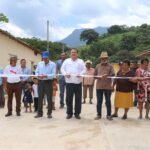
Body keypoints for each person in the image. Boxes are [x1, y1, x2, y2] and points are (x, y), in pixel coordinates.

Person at [61, 48, 86, 119]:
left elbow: (84, 69)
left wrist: (80, 74)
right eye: (72, 52)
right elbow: (62, 69)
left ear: (77, 53)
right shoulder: (66, 61)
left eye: (75, 52)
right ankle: (69, 113)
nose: (73, 53)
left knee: (78, 99)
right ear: (70, 53)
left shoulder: (81, 61)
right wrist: (65, 74)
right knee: (68, 99)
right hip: (69, 83)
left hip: (78, 83)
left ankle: (77, 113)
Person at [34, 51, 56, 119]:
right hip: (40, 82)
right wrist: (38, 76)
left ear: (48, 57)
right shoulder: (39, 63)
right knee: (40, 98)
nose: (45, 59)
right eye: (44, 58)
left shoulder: (53, 64)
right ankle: (39, 113)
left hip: (48, 82)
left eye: (46, 58)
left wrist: (46, 76)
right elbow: (36, 72)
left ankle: (49, 113)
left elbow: (53, 74)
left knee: (49, 98)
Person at [94, 51, 115, 121]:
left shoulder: (110, 66)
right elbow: (94, 76)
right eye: (102, 58)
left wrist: (107, 75)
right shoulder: (97, 66)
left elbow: (113, 74)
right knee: (99, 101)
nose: (104, 59)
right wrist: (98, 77)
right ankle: (99, 114)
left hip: (108, 87)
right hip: (99, 86)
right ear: (100, 59)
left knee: (108, 101)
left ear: (107, 58)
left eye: (105, 58)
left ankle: (109, 115)